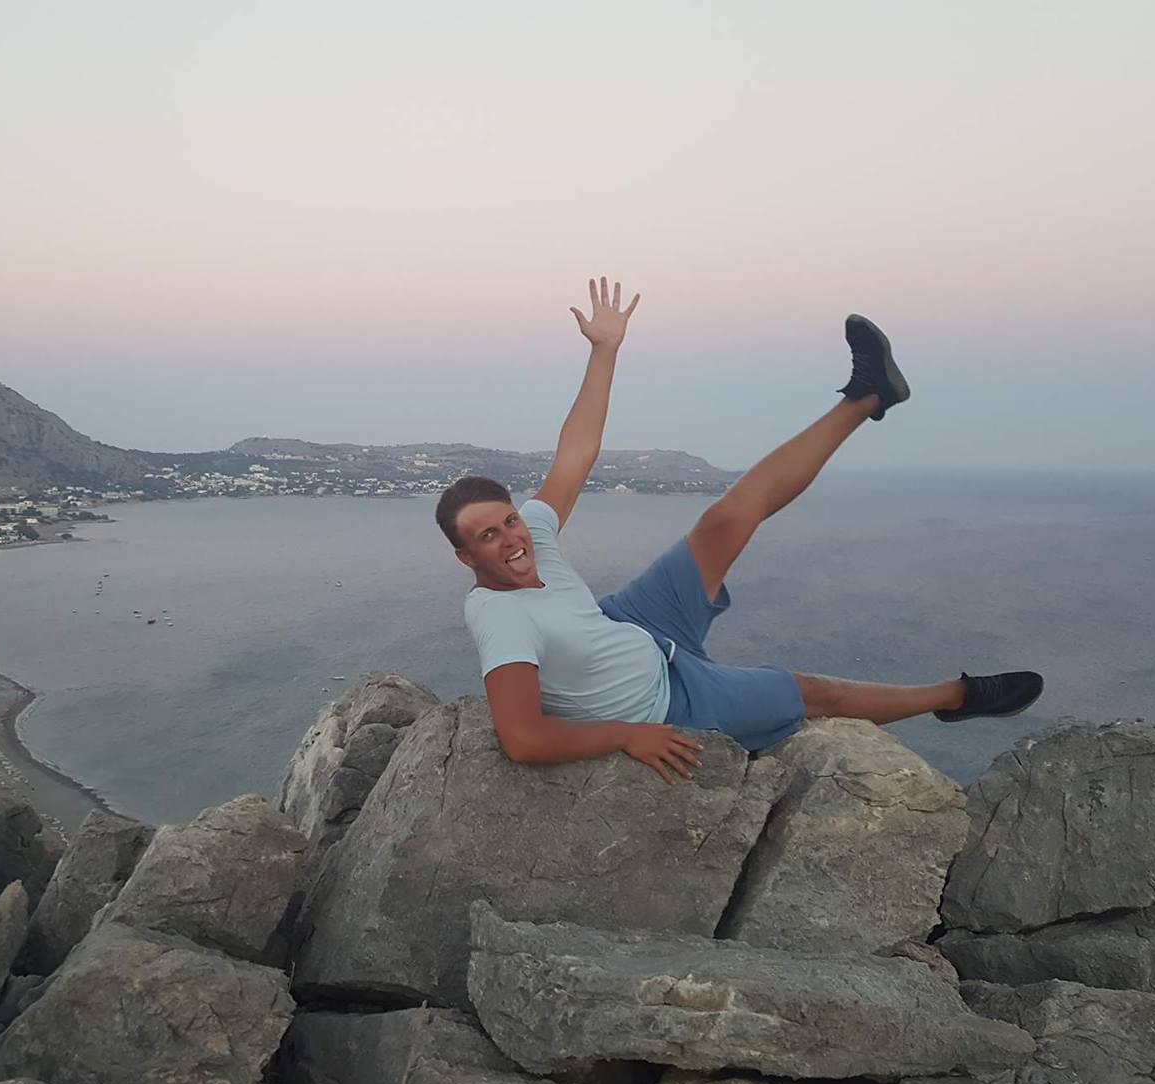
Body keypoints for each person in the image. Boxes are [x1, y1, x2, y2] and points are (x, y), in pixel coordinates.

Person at [437, 277, 1044, 783]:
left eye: (509, 520)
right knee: (814, 693)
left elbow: (575, 454)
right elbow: (522, 738)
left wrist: (605, 351)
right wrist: (627, 735)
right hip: (665, 700)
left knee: (725, 519)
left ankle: (868, 396)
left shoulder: (531, 533)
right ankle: (957, 696)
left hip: (629, 625)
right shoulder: (500, 618)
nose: (512, 539)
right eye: (488, 537)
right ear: (467, 558)